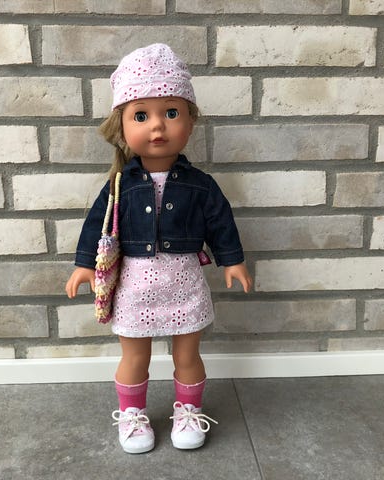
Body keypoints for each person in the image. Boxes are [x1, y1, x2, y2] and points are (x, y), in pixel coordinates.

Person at [65, 43, 252, 454]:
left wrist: (232, 260)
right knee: (135, 356)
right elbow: (98, 225)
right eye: (141, 116)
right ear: (121, 125)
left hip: (184, 282)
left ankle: (188, 410)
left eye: (170, 113)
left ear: (190, 121)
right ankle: (132, 415)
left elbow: (220, 222)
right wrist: (84, 265)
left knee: (188, 353)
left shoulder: (200, 185)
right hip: (134, 287)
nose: (157, 127)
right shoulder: (119, 184)